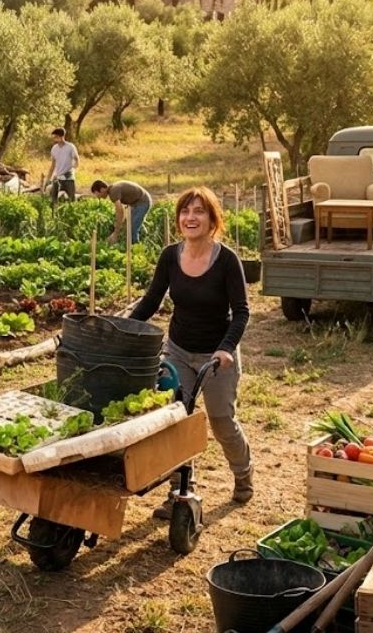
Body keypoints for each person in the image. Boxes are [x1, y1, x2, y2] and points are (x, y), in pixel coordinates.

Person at [129, 187, 252, 516]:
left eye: (199, 211)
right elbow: (152, 301)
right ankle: (180, 492)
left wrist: (226, 349)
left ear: (212, 219)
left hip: (217, 356)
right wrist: (122, 329)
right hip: (179, 351)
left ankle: (243, 475)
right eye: (185, 211)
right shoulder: (171, 255)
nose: (190, 217)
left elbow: (241, 311)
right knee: (176, 419)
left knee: (222, 421)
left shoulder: (226, 260)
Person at [91, 180, 153, 246]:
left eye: (97, 194)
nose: (98, 197)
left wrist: (115, 234)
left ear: (102, 189)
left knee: (132, 229)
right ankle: (145, 239)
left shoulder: (113, 192)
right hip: (136, 203)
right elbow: (122, 210)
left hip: (142, 202)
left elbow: (120, 212)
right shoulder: (113, 189)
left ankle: (136, 249)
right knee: (129, 226)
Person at [46, 127, 79, 204]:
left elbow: (77, 160)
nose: (54, 139)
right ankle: (54, 214)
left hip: (69, 178)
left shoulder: (70, 147)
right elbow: (53, 164)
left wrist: (73, 169)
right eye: (54, 137)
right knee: (53, 199)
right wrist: (48, 178)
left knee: (72, 199)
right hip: (58, 178)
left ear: (62, 136)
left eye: (56, 137)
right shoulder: (54, 148)